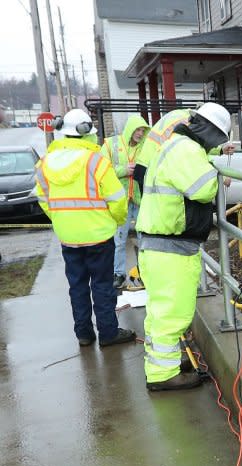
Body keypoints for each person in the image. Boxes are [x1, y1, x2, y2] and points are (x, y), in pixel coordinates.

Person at [136, 102, 231, 391]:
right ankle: (163, 377)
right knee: (173, 313)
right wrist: (219, 178)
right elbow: (202, 189)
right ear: (213, 134)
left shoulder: (175, 145)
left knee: (159, 312)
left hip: (158, 245)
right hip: (170, 248)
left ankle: (163, 364)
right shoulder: (186, 151)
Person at [33, 109, 136, 347]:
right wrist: (118, 220)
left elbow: (43, 199)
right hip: (99, 235)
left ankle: (84, 334)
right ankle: (108, 334)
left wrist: (61, 219)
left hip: (68, 237)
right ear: (87, 133)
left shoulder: (44, 162)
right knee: (101, 285)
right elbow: (117, 199)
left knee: (77, 286)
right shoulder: (96, 161)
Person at [100, 114, 150, 289]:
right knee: (119, 240)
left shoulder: (146, 145)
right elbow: (100, 169)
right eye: (138, 129)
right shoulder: (110, 144)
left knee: (144, 239)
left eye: (143, 130)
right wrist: (123, 170)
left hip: (139, 198)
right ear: (130, 129)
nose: (140, 133)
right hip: (120, 200)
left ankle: (145, 273)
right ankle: (118, 274)